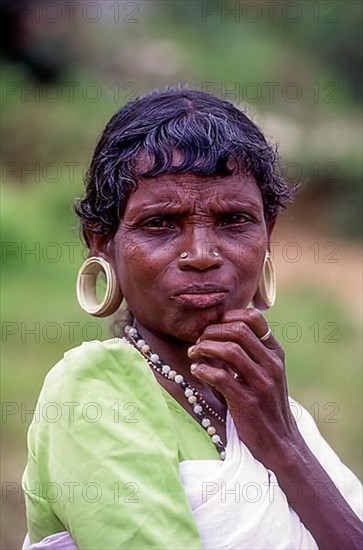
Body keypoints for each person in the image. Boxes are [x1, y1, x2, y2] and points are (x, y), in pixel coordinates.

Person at [22, 88, 362, 550]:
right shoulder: (94, 391)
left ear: (269, 233)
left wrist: (283, 442)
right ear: (102, 242)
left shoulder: (269, 405)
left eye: (234, 220)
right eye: (160, 224)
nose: (202, 255)